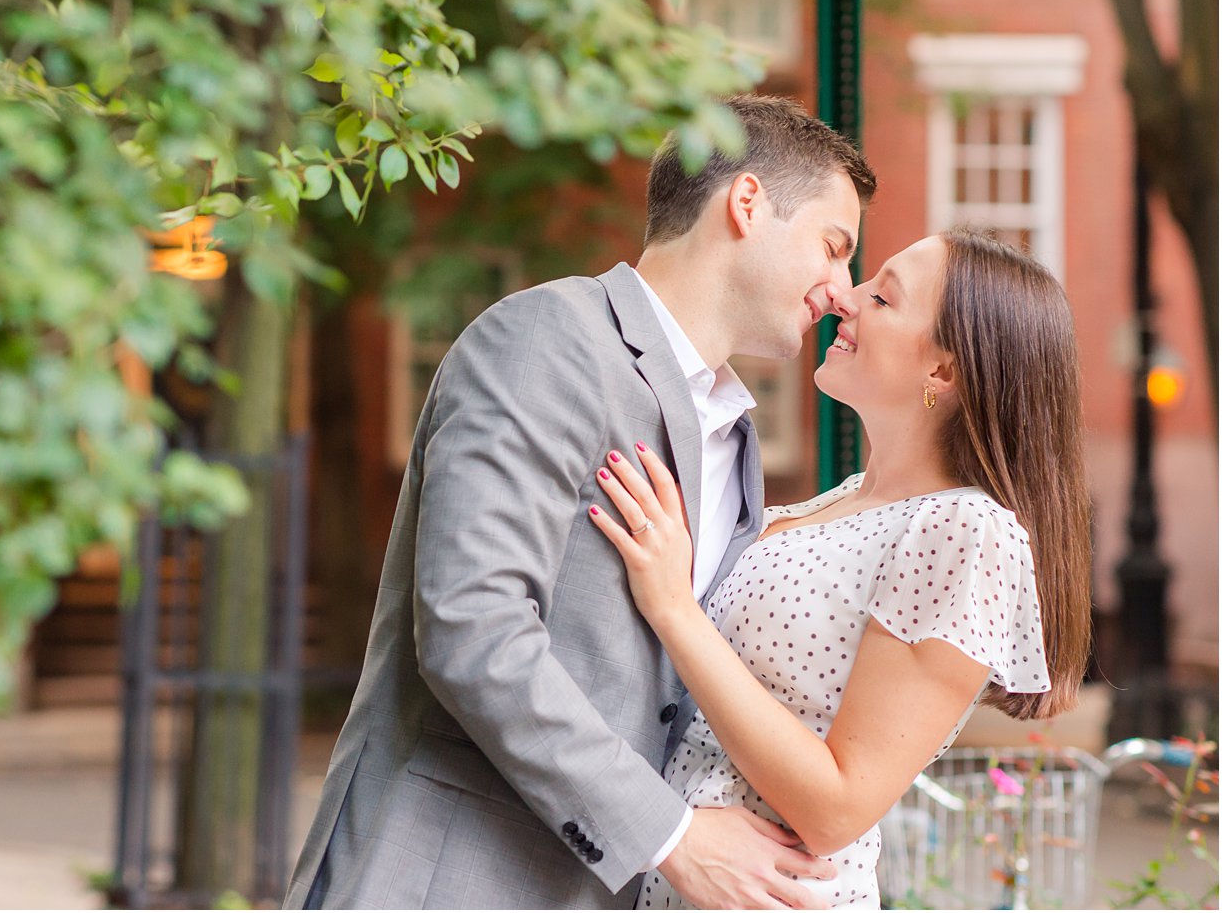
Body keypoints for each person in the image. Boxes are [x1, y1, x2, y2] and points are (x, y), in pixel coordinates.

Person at [284, 95, 876, 910]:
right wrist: (673, 836)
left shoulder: (736, 441)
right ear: (747, 204)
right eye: (833, 246)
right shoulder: (546, 340)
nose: (841, 289)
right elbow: (472, 628)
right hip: (445, 880)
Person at [588, 226, 1092, 909]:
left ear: (943, 371)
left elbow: (838, 807)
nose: (844, 299)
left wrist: (674, 610)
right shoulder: (844, 499)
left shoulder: (964, 530)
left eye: (883, 299)